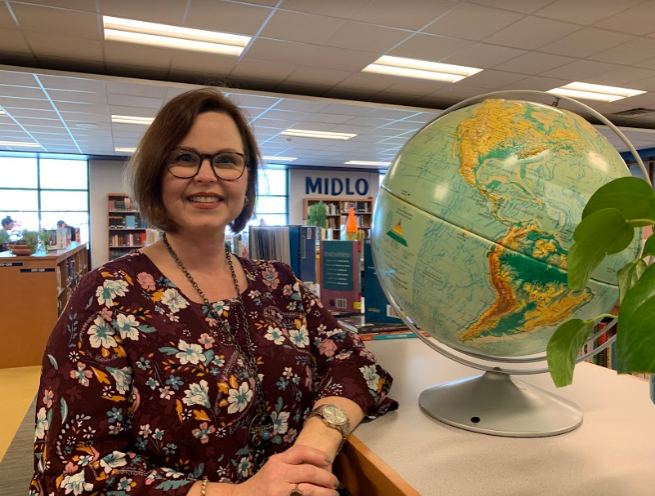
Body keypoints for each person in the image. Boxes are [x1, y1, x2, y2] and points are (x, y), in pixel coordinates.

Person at [30, 89, 397, 496]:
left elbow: (355, 362)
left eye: (226, 160)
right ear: (156, 172)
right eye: (185, 158)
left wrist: (316, 443)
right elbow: (74, 472)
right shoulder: (107, 296)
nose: (207, 175)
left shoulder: (278, 284)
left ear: (246, 178)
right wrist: (242, 493)